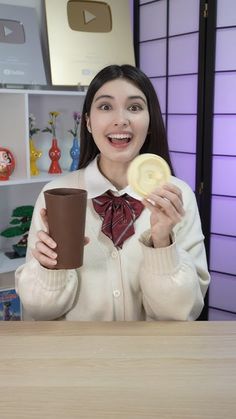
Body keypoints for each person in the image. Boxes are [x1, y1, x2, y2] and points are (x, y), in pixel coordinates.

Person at [15, 64, 210, 321]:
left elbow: (181, 313)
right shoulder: (56, 195)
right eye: (105, 107)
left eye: (135, 107)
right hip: (78, 358)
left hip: (152, 357)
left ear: (150, 122)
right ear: (87, 121)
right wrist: (49, 267)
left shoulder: (176, 195)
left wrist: (162, 241)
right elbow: (40, 312)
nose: (121, 119)